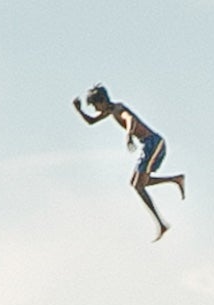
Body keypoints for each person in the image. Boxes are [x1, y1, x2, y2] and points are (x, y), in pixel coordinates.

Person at [71, 86, 186, 238]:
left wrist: (129, 135)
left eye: (95, 105)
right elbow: (91, 122)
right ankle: (175, 179)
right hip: (150, 144)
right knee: (136, 184)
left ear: (103, 101)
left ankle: (161, 224)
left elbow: (130, 119)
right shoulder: (109, 111)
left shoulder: (118, 108)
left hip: (153, 143)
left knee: (139, 185)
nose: (95, 109)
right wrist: (79, 111)